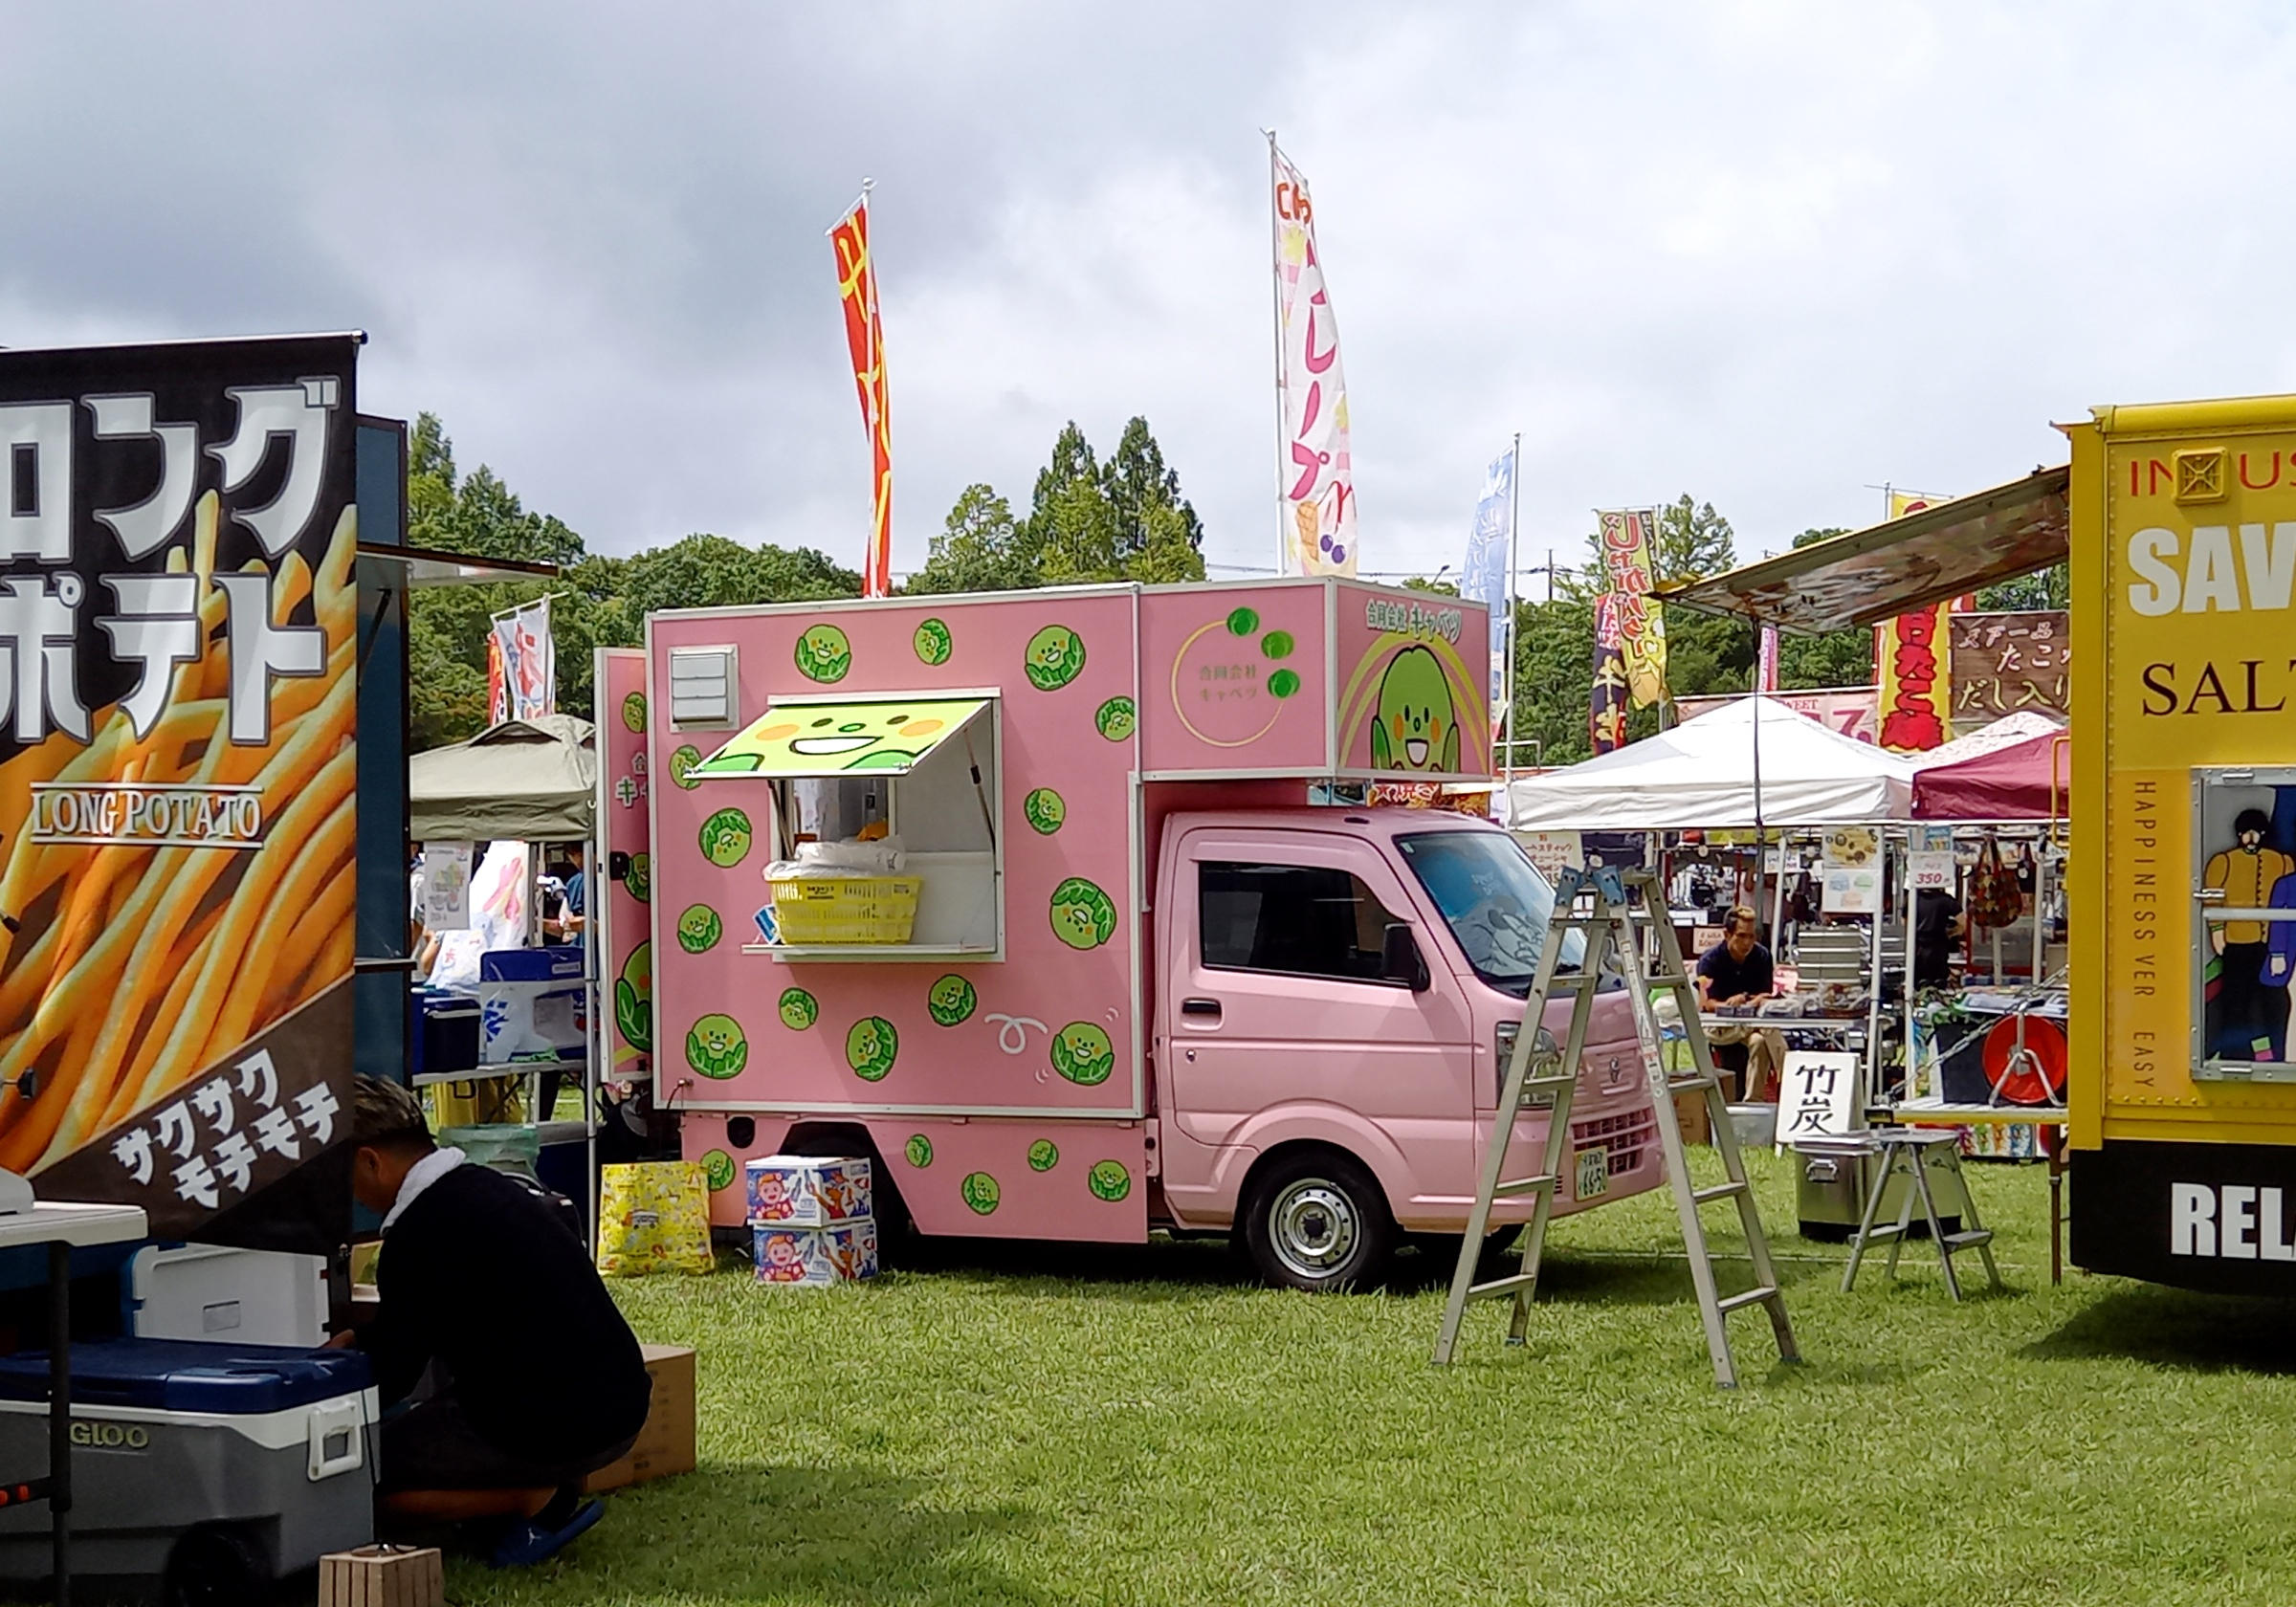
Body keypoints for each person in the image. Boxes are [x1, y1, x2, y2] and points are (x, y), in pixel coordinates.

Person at [336, 1077, 651, 1568]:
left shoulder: (417, 1236)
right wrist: (364, 1337)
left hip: (553, 1420)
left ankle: (532, 1500)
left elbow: (395, 1374)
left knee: (359, 1485)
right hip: (620, 1403)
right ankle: (527, 1487)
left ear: (369, 1160)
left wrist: (321, 1399)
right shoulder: (485, 1188)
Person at [2203, 809, 2293, 1060]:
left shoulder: (2282, 861)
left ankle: (2274, 1052)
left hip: (2269, 943)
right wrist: (2218, 932)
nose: (2251, 837)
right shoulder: (2224, 861)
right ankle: (2236, 1052)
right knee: (2236, 999)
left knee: (2272, 1000)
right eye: (2246, 832)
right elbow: (2212, 899)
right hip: (2237, 943)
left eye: (2256, 832)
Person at [1696, 907, 1784, 1100]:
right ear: (1727, 934)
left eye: (1752, 936)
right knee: (1768, 1031)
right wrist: (1731, 1005)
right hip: (1720, 1028)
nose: (1747, 943)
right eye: (1741, 936)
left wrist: (1748, 999)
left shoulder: (1762, 956)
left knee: (1760, 1041)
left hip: (1752, 1026)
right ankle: (1787, 1074)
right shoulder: (1709, 960)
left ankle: (1753, 1101)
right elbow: (1706, 1004)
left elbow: (1764, 995)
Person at [1913, 885, 1965, 990]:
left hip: (1918, 948)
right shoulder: (1946, 900)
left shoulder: (1913, 899)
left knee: (1921, 985)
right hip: (1939, 947)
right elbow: (1963, 923)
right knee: (1939, 983)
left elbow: (1904, 922)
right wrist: (1951, 933)